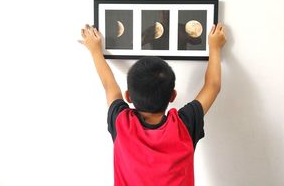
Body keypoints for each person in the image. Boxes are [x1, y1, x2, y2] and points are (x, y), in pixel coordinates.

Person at [79, 23, 226, 186]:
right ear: (173, 96)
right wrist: (215, 47)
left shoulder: (122, 123)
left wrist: (95, 50)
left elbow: (109, 86)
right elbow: (213, 85)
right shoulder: (183, 125)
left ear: (128, 96)